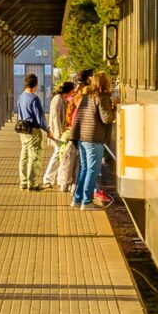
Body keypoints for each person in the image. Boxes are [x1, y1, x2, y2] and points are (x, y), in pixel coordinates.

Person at [70, 68, 117, 211]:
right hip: (94, 138)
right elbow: (106, 118)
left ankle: (77, 199)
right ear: (105, 83)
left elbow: (79, 117)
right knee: (92, 170)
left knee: (84, 169)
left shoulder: (87, 96)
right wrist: (115, 107)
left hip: (82, 138)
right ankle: (87, 201)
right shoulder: (102, 97)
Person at [12, 72, 50, 190]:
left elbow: (19, 114)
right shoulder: (34, 98)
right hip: (33, 130)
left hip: (23, 130)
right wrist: (47, 129)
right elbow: (40, 116)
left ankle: (23, 182)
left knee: (24, 155)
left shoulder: (21, 97)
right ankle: (32, 183)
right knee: (34, 156)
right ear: (36, 85)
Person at [43, 78, 78, 190]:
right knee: (58, 154)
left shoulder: (62, 99)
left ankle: (58, 179)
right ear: (69, 90)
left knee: (60, 155)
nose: (73, 92)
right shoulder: (58, 99)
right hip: (58, 133)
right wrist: (58, 134)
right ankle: (48, 178)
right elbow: (55, 117)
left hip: (61, 133)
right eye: (72, 90)